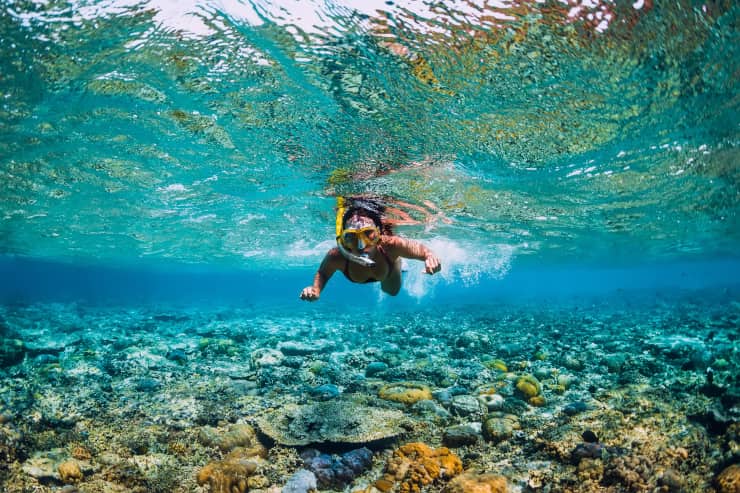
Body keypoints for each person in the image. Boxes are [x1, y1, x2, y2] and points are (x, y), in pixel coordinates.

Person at [299, 197, 442, 301]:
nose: (361, 244)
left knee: (391, 292)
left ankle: (398, 262)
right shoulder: (337, 255)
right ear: (343, 238)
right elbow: (323, 273)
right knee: (390, 291)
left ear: (379, 233)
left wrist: (430, 257)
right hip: (382, 269)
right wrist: (316, 289)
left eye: (368, 234)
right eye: (352, 236)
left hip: (389, 269)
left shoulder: (391, 245)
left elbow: (425, 252)